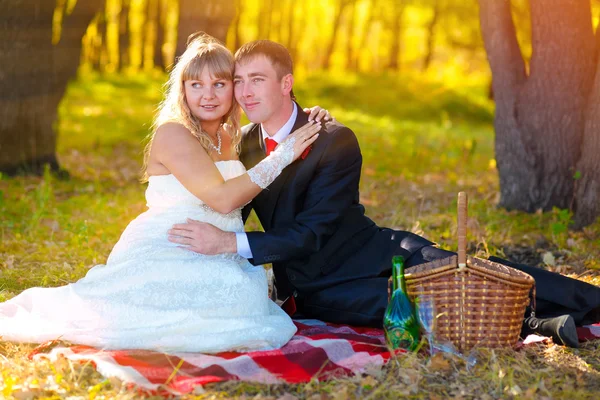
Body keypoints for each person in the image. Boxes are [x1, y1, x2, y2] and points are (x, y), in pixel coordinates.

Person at [168, 39, 600, 349]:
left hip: (376, 248)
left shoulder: (334, 139)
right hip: (319, 284)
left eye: (256, 80)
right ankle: (541, 321)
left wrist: (233, 244)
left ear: (286, 84)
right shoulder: (241, 144)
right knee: (422, 303)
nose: (244, 92)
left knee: (465, 268)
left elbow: (314, 230)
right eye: (239, 81)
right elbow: (231, 211)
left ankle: (590, 303)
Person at [0, 33, 332, 353]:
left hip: (219, 251)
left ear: (234, 88)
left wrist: (308, 115)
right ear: (182, 90)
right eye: (196, 85)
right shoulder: (174, 134)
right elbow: (223, 198)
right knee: (181, 313)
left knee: (241, 300)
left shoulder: (234, 136)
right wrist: (284, 155)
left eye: (219, 84)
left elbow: (273, 122)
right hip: (171, 245)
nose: (208, 95)